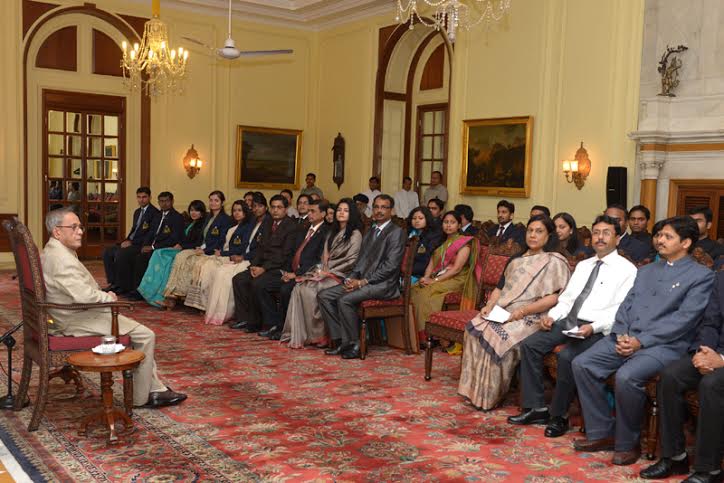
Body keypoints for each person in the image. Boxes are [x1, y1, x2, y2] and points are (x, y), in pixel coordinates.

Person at [572, 216, 715, 466]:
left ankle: (628, 443)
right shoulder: (646, 270)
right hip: (627, 337)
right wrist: (622, 333)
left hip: (665, 345)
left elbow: (684, 320)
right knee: (582, 364)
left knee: (627, 377)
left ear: (686, 243)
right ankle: (603, 431)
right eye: (659, 235)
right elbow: (626, 305)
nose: (660, 240)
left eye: (668, 236)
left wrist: (641, 341)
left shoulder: (701, 276)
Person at [41, 207, 186, 408]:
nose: (80, 231)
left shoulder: (53, 250)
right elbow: (84, 296)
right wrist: (108, 297)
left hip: (70, 312)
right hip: (75, 319)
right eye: (73, 227)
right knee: (145, 335)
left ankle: (155, 387)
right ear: (57, 231)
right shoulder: (61, 259)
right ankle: (142, 397)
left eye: (80, 227)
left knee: (138, 331)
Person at [508, 215, 637, 438]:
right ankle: (536, 408)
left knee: (567, 357)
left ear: (617, 238)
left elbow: (619, 311)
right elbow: (567, 299)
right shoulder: (584, 265)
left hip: (596, 328)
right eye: (596, 233)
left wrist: (593, 327)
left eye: (606, 233)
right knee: (530, 345)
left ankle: (559, 416)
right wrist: (551, 316)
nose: (600, 237)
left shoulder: (627, 270)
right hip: (568, 321)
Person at [459, 215, 571, 410]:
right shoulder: (516, 259)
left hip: (533, 316)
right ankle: (474, 391)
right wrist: (490, 305)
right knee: (474, 328)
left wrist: (522, 311)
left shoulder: (554, 261)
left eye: (539, 231)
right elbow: (500, 288)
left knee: (496, 336)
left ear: (548, 236)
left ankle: (489, 396)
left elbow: (554, 298)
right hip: (504, 310)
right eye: (530, 230)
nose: (533, 235)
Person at [640, 270, 724, 483]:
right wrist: (703, 352)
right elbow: (710, 323)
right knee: (670, 376)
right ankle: (675, 457)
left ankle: (710, 470)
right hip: (713, 351)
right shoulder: (722, 277)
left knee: (711, 384)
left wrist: (722, 360)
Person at [318, 194, 407, 360]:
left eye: (384, 207)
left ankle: (356, 344)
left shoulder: (396, 232)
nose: (379, 211)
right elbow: (361, 261)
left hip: (383, 285)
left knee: (345, 300)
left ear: (392, 211)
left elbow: (391, 266)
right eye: (376, 207)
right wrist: (350, 279)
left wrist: (363, 282)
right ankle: (341, 341)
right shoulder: (370, 230)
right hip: (363, 282)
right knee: (324, 295)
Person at [281, 198, 363, 348]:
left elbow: (351, 261)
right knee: (300, 288)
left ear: (352, 214)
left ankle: (321, 336)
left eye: (346, 211)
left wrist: (328, 272)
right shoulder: (333, 232)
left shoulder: (355, 234)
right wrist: (320, 271)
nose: (341, 213)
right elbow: (323, 258)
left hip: (342, 275)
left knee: (311, 291)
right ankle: (306, 334)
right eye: (339, 210)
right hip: (326, 272)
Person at [260, 199, 329, 340]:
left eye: (313, 211)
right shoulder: (304, 229)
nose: (309, 214)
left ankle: (285, 328)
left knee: (285, 290)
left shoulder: (326, 233)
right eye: (308, 211)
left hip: (307, 274)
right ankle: (273, 324)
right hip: (291, 270)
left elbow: (317, 260)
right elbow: (292, 252)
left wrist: (295, 274)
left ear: (323, 214)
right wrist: (286, 272)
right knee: (262, 284)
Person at [410, 211, 482, 341]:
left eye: (452, 222)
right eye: (445, 222)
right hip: (441, 277)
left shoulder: (464, 243)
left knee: (428, 292)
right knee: (416, 288)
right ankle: (414, 333)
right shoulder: (441, 242)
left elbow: (456, 269)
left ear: (459, 225)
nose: (448, 225)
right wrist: (426, 277)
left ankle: (428, 334)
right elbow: (432, 263)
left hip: (458, 279)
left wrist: (434, 281)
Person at [230, 195, 297, 333]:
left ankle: (270, 324)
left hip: (279, 268)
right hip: (263, 266)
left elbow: (284, 255)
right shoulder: (268, 223)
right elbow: (260, 248)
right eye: (273, 207)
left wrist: (264, 268)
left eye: (279, 207)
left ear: (286, 209)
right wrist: (254, 266)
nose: (275, 210)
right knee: (239, 279)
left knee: (259, 284)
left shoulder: (291, 227)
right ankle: (246, 319)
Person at [161, 191, 232, 307]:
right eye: (211, 200)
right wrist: (201, 247)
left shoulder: (226, 219)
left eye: (216, 200)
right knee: (180, 256)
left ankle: (181, 295)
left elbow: (221, 240)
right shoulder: (208, 217)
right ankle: (171, 295)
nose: (213, 203)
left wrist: (205, 250)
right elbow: (203, 238)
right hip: (202, 248)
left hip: (212, 251)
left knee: (191, 261)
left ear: (222, 202)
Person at [184, 200, 253, 312]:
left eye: (240, 210)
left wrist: (222, 253)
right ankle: (199, 303)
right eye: (234, 210)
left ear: (245, 212)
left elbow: (241, 248)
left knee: (208, 267)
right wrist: (219, 251)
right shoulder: (233, 227)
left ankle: (206, 304)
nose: (236, 213)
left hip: (233, 257)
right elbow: (223, 243)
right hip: (224, 254)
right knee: (201, 264)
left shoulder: (247, 228)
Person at [137, 200, 206, 308]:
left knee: (164, 257)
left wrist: (182, 246)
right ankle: (148, 288)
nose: (193, 213)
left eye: (197, 210)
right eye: (192, 210)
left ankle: (160, 295)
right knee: (158, 253)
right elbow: (181, 238)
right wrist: (178, 244)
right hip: (180, 248)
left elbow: (198, 243)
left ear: (201, 213)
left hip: (189, 250)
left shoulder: (202, 225)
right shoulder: (190, 223)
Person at [216, 194, 270, 327]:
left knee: (234, 277)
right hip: (246, 256)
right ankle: (241, 318)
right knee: (226, 274)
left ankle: (245, 317)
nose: (257, 209)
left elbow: (262, 248)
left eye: (260, 206)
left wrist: (244, 257)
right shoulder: (253, 222)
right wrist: (239, 255)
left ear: (266, 207)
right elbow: (245, 244)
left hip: (256, 260)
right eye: (254, 206)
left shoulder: (268, 223)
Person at [123, 192, 185, 298]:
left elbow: (173, 239)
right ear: (158, 202)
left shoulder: (177, 217)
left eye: (167, 201)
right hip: (151, 246)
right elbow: (150, 233)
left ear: (172, 201)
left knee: (141, 259)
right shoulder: (157, 215)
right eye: (161, 201)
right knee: (131, 254)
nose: (164, 204)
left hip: (163, 249)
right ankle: (130, 287)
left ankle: (141, 291)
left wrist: (153, 247)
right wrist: (144, 245)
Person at [103, 187, 158, 292]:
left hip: (141, 245)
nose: (141, 200)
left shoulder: (155, 213)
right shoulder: (137, 212)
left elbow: (150, 235)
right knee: (107, 252)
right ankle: (113, 283)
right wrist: (126, 240)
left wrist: (131, 242)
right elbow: (134, 230)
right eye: (139, 197)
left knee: (121, 254)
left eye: (144, 197)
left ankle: (122, 286)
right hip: (131, 242)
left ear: (150, 197)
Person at [407, 206, 443, 283]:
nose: (417, 221)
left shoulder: (434, 235)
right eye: (414, 218)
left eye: (420, 218)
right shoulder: (408, 232)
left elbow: (427, 256)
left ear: (427, 219)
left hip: (420, 271)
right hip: (404, 268)